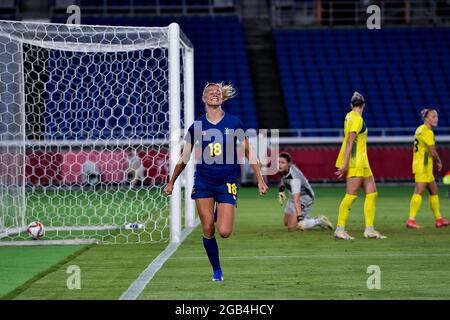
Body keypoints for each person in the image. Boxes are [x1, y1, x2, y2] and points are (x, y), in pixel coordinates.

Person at [163, 82, 268, 281]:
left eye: (217, 92)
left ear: (222, 98)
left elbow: (248, 151)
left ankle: (221, 206)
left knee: (225, 232)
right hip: (204, 181)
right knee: (208, 228)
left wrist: (260, 179)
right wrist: (171, 182)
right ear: (203, 99)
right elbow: (184, 157)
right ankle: (217, 270)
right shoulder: (196, 127)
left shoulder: (234, 122)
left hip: (227, 181)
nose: (214, 94)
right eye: (210, 92)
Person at [334, 92, 386, 240]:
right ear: (363, 105)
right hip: (356, 161)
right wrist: (344, 164)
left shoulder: (349, 115)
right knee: (350, 195)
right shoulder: (357, 119)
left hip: (363, 162)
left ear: (351, 105)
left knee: (372, 193)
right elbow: (350, 141)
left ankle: (369, 229)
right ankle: (340, 229)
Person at [406, 108, 450, 228]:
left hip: (423, 165)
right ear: (426, 118)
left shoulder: (420, 129)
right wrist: (439, 162)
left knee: (434, 190)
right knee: (419, 191)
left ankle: (439, 219)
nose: (436, 119)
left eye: (436, 116)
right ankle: (411, 219)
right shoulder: (427, 132)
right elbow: (432, 151)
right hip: (423, 166)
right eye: (433, 116)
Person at [277, 152, 333, 232]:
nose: (279, 164)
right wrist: (281, 190)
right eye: (279, 162)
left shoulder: (294, 178)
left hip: (305, 198)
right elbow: (283, 178)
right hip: (293, 197)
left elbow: (297, 201)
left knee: (292, 227)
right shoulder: (284, 169)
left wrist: (300, 219)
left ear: (288, 164)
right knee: (286, 222)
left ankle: (319, 221)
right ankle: (306, 218)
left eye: (282, 162)